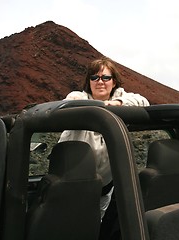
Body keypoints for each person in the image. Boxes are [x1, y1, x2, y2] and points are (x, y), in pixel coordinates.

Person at [58, 56, 149, 219]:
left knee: (95, 226)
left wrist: (119, 104)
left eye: (106, 77)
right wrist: (102, 107)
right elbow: (68, 104)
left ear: (114, 82)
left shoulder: (122, 98)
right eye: (94, 77)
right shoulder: (78, 97)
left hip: (105, 186)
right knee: (69, 223)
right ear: (89, 82)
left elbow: (143, 101)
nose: (100, 81)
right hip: (72, 180)